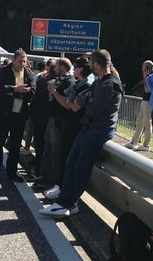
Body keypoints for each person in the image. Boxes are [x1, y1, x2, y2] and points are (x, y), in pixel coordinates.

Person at [39, 49, 123, 218]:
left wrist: (85, 100)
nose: (89, 66)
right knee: (71, 165)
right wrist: (85, 99)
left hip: (98, 131)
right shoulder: (99, 82)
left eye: (91, 63)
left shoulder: (110, 84)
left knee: (80, 169)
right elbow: (77, 102)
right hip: (87, 129)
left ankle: (68, 203)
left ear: (97, 64)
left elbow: (91, 108)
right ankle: (64, 202)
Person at [43, 56, 92, 200]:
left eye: (76, 66)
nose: (73, 69)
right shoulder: (79, 83)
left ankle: (62, 187)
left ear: (81, 69)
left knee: (66, 157)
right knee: (64, 155)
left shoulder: (85, 85)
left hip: (75, 124)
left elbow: (70, 104)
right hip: (71, 123)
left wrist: (55, 92)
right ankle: (60, 185)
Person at [0, 48, 35, 182]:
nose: (22, 64)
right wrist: (16, 89)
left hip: (19, 116)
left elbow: (32, 91)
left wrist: (14, 92)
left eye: (24, 62)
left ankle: (12, 172)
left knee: (15, 146)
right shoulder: (3, 72)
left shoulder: (28, 73)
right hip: (3, 114)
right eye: (20, 61)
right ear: (13, 60)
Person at [35, 58, 75, 189]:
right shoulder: (61, 79)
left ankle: (52, 179)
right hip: (52, 118)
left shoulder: (69, 81)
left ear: (62, 67)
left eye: (57, 65)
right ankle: (44, 176)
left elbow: (66, 103)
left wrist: (54, 91)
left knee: (55, 151)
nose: (54, 68)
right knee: (48, 149)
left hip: (59, 120)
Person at [29, 58, 56, 179]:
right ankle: (41, 170)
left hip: (41, 117)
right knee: (45, 146)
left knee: (40, 145)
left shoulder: (44, 80)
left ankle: (38, 171)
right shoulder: (57, 80)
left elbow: (36, 98)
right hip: (49, 118)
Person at [125, 60, 153, 151]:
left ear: (147, 68)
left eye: (143, 66)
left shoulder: (152, 76)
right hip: (145, 101)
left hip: (149, 102)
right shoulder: (150, 74)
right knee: (139, 121)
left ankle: (146, 145)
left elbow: (147, 90)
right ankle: (133, 142)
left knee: (147, 123)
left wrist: (145, 77)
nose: (141, 68)